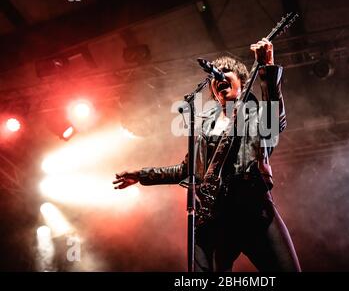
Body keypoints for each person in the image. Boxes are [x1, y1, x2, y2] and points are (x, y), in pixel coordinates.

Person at [113, 38, 301, 272]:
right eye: (215, 76)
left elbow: (275, 113)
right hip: (214, 217)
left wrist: (267, 68)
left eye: (226, 72)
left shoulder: (257, 117)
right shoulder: (204, 127)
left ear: (242, 82)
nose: (219, 77)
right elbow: (186, 170)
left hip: (254, 210)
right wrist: (142, 175)